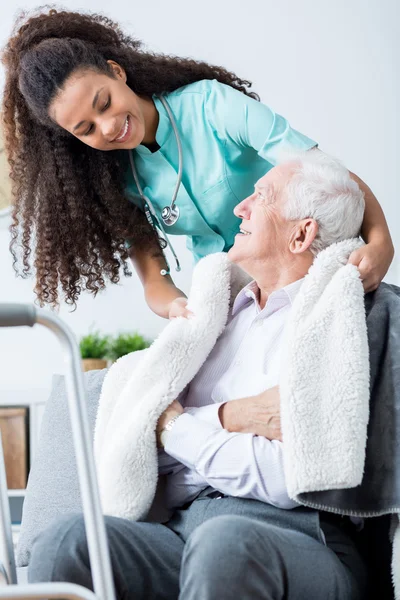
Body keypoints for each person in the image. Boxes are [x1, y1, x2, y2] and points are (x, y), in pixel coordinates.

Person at [29, 152, 368, 599]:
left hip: (297, 536)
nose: (239, 208)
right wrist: (230, 419)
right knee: (67, 543)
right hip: (185, 529)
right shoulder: (216, 319)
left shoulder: (336, 322)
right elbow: (143, 443)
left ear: (301, 234)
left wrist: (175, 427)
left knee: (223, 543)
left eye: (260, 197)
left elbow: (283, 477)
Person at [2, 9, 394, 318]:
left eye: (104, 103)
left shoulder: (211, 106)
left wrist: (381, 244)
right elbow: (156, 280)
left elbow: (329, 175)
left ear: (117, 73)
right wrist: (177, 306)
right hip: (230, 294)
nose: (107, 127)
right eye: (85, 128)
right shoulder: (117, 180)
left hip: (298, 265)